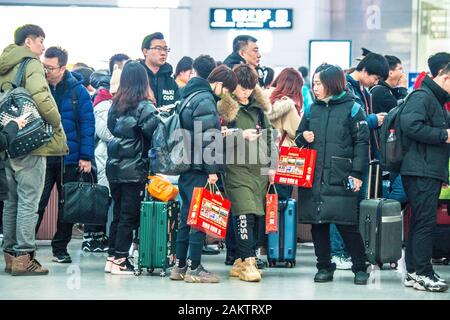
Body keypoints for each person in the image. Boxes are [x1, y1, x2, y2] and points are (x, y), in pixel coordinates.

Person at [0, 24, 68, 276]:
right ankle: (24, 257)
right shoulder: (30, 64)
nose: (42, 46)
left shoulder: (4, 66)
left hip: (7, 140)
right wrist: (56, 121)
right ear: (29, 42)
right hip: (29, 140)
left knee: (11, 201)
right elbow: (41, 96)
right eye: (40, 41)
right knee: (29, 200)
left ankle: (9, 255)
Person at [295, 63, 370, 285]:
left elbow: (361, 143)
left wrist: (357, 173)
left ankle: (360, 267)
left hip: (341, 175)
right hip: (314, 176)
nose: (314, 88)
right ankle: (324, 267)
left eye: (318, 83)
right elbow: (299, 137)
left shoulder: (353, 108)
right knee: (317, 224)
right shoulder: (311, 109)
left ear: (331, 83)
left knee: (347, 224)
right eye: (314, 83)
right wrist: (303, 137)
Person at [169, 56, 234, 284]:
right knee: (199, 218)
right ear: (219, 84)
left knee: (188, 217)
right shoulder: (206, 99)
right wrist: (212, 169)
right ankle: (195, 268)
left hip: (187, 167)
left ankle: (179, 267)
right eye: (226, 90)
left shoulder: (188, 96)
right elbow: (208, 139)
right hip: (199, 168)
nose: (224, 95)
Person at [36, 46, 96, 262]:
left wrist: (86, 157)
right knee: (36, 203)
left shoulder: (77, 91)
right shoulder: (39, 87)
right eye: (44, 66)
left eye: (50, 68)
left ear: (62, 68)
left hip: (69, 158)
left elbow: (88, 123)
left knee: (67, 206)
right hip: (42, 156)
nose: (46, 71)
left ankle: (59, 249)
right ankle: (26, 248)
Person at [219, 64, 277, 282]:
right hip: (236, 169)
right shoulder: (224, 108)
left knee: (256, 216)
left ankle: (240, 261)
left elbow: (271, 137)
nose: (246, 93)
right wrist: (240, 135)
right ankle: (248, 260)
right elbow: (215, 140)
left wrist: (273, 165)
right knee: (244, 213)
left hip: (259, 170)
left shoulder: (259, 109)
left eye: (250, 88)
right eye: (243, 88)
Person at [105, 61, 159, 275]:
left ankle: (112, 257)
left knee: (117, 214)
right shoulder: (145, 106)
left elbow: (112, 128)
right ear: (143, 81)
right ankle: (120, 260)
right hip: (134, 168)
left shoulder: (115, 104)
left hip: (115, 167)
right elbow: (154, 133)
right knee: (129, 216)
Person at [400, 62, 450, 293]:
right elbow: (410, 125)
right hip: (420, 170)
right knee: (424, 222)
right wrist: (442, 135)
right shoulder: (424, 96)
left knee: (420, 221)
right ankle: (421, 272)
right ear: (446, 77)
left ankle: (416, 272)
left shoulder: (434, 98)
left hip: (427, 169)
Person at [267, 67, 303, 200]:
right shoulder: (288, 106)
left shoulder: (263, 100)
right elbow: (297, 132)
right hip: (281, 161)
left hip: (260, 158)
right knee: (280, 203)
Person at [139, 32, 179, 108]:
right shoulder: (137, 78)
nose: (163, 53)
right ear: (145, 51)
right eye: (158, 48)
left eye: (165, 49)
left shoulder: (170, 82)